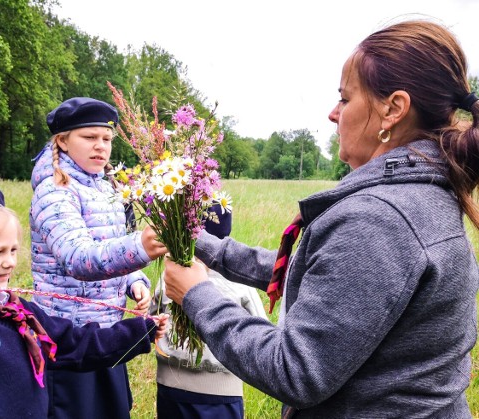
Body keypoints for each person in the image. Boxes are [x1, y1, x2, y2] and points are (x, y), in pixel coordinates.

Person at [162, 19, 479, 418]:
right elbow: (328, 280)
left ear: (393, 109)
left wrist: (197, 294)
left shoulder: (378, 219)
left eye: (346, 99)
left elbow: (295, 371)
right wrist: (206, 248)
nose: (333, 114)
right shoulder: (415, 197)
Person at [0, 184, 168, 419]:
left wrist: (141, 330)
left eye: (13, 250)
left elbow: (74, 343)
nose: (10, 262)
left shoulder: (18, 311)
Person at [30, 97, 168, 419]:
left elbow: (115, 243)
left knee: (114, 411)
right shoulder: (54, 190)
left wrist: (135, 280)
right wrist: (141, 248)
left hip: (106, 332)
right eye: (89, 137)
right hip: (68, 338)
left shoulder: (109, 188)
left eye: (106, 139)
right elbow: (78, 258)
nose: (100, 147)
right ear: (62, 140)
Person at [150, 204, 268, 419]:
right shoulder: (241, 285)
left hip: (170, 387)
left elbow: (152, 321)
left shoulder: (170, 276)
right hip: (220, 394)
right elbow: (263, 329)